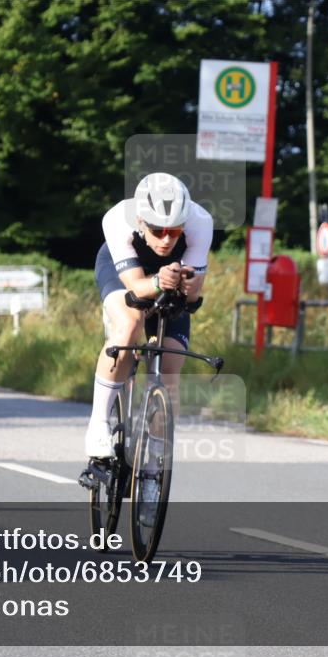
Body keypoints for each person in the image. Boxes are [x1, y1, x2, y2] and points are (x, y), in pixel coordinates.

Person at [86, 173, 213, 460]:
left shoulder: (200, 222)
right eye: (158, 230)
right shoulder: (118, 218)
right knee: (130, 324)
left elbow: (192, 297)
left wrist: (191, 288)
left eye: (175, 231)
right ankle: (98, 423)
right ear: (141, 221)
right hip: (124, 273)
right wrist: (158, 281)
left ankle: (157, 450)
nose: (167, 240)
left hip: (167, 277)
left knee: (171, 363)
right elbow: (135, 287)